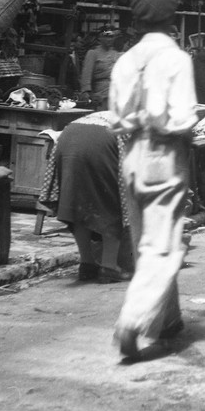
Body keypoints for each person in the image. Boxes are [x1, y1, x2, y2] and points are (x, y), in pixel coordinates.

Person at [108, 0, 198, 361]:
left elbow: (116, 117)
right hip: (164, 153)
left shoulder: (125, 61)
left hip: (131, 153)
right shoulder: (176, 59)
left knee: (144, 237)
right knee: (162, 245)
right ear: (172, 20)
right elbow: (182, 118)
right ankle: (133, 320)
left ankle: (167, 320)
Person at [40, 111, 133, 282]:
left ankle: (87, 264)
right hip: (102, 141)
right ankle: (109, 267)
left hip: (69, 136)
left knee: (78, 203)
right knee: (112, 203)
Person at [80, 28, 120, 109]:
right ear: (100, 38)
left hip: (116, 94)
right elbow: (86, 75)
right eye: (106, 36)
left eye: (111, 37)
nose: (109, 39)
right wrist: (86, 92)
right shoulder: (93, 53)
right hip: (100, 95)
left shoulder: (117, 54)